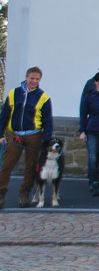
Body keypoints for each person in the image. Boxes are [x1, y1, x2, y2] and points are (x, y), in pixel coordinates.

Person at [0, 67, 54, 208]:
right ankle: (1, 192)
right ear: (26, 77)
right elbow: (4, 115)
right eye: (32, 78)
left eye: (37, 79)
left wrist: (47, 141)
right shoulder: (14, 93)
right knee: (6, 164)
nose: (34, 81)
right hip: (15, 134)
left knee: (30, 166)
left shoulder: (43, 97)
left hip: (34, 135)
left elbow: (48, 121)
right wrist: (1, 135)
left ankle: (24, 192)